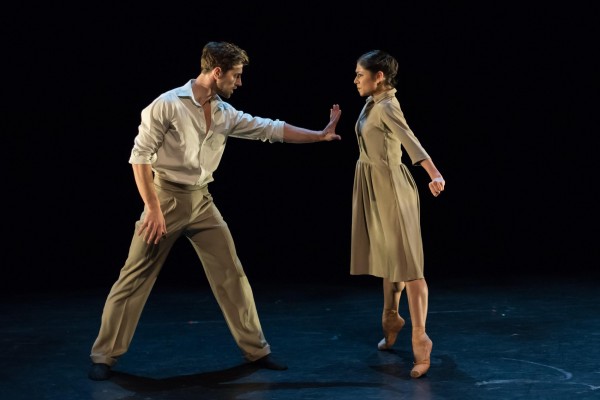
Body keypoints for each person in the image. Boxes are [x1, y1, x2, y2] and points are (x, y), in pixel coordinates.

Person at [88, 41, 342, 381]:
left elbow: (269, 129)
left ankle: (257, 350)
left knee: (231, 274)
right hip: (166, 200)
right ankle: (104, 356)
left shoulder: (223, 112)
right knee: (134, 276)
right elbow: (140, 158)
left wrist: (319, 136)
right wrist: (152, 209)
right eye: (236, 76)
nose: (240, 83)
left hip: (202, 202)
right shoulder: (166, 105)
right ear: (217, 72)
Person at [350, 49, 445, 379]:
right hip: (373, 186)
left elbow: (411, 141)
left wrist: (434, 174)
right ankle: (391, 318)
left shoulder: (388, 105)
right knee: (389, 257)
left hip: (392, 188)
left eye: (360, 74)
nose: (355, 79)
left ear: (378, 77)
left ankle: (421, 338)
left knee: (409, 265)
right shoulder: (371, 102)